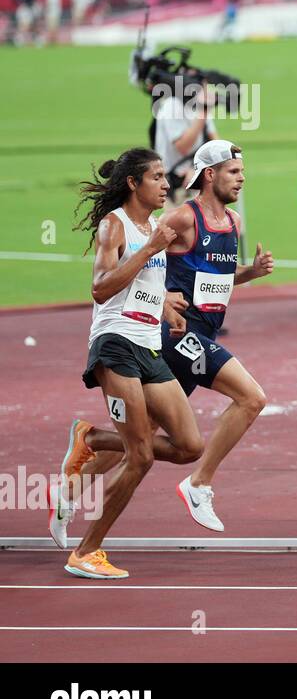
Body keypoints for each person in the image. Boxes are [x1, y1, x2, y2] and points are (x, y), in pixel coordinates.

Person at [58, 141, 274, 536]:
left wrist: (250, 273)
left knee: (144, 436)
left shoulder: (234, 224)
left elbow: (213, 281)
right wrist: (161, 301)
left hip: (196, 332)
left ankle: (77, 475)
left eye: (243, 171)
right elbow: (136, 265)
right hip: (175, 333)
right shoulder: (178, 219)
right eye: (234, 171)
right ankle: (199, 483)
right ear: (210, 175)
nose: (242, 178)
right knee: (251, 397)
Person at [54, 149, 204, 579]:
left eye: (164, 177)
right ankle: (86, 551)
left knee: (189, 446)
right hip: (115, 344)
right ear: (134, 183)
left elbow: (141, 290)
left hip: (147, 346)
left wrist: (166, 307)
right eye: (156, 177)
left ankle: (92, 438)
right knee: (140, 456)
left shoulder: (155, 227)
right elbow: (101, 289)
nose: (165, 184)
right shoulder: (114, 225)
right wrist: (151, 250)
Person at [152, 66, 217, 202]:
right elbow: (183, 146)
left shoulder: (198, 105)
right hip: (176, 185)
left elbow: (214, 143)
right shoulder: (172, 106)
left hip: (195, 179)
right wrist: (204, 112)